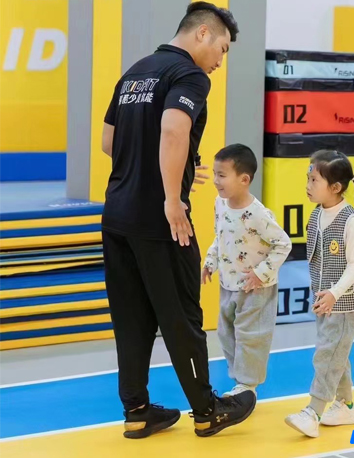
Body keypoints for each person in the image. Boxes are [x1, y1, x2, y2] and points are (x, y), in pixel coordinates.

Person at [100, 2, 256, 439]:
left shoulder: (135, 72)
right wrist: (171, 196)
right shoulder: (189, 75)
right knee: (182, 316)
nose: (220, 61)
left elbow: (110, 141)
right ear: (203, 33)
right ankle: (207, 411)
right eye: (222, 49)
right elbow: (173, 129)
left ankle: (136, 411)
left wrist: (178, 165)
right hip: (160, 220)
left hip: (117, 216)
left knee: (131, 318)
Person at [284, 150, 354, 438]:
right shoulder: (317, 214)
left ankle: (314, 411)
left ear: (335, 187)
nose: (308, 185)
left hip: (344, 301)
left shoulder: (351, 221)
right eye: (308, 178)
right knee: (337, 351)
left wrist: (334, 293)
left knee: (327, 353)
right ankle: (346, 405)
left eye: (314, 180)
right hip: (324, 298)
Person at [201, 144, 292, 397]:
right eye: (215, 174)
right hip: (228, 283)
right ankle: (239, 379)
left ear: (244, 179)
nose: (216, 181)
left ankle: (247, 385)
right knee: (226, 332)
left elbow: (283, 244)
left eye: (222, 175)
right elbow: (220, 236)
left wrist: (260, 273)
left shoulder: (258, 215)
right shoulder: (220, 204)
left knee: (251, 336)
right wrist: (210, 262)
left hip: (256, 288)